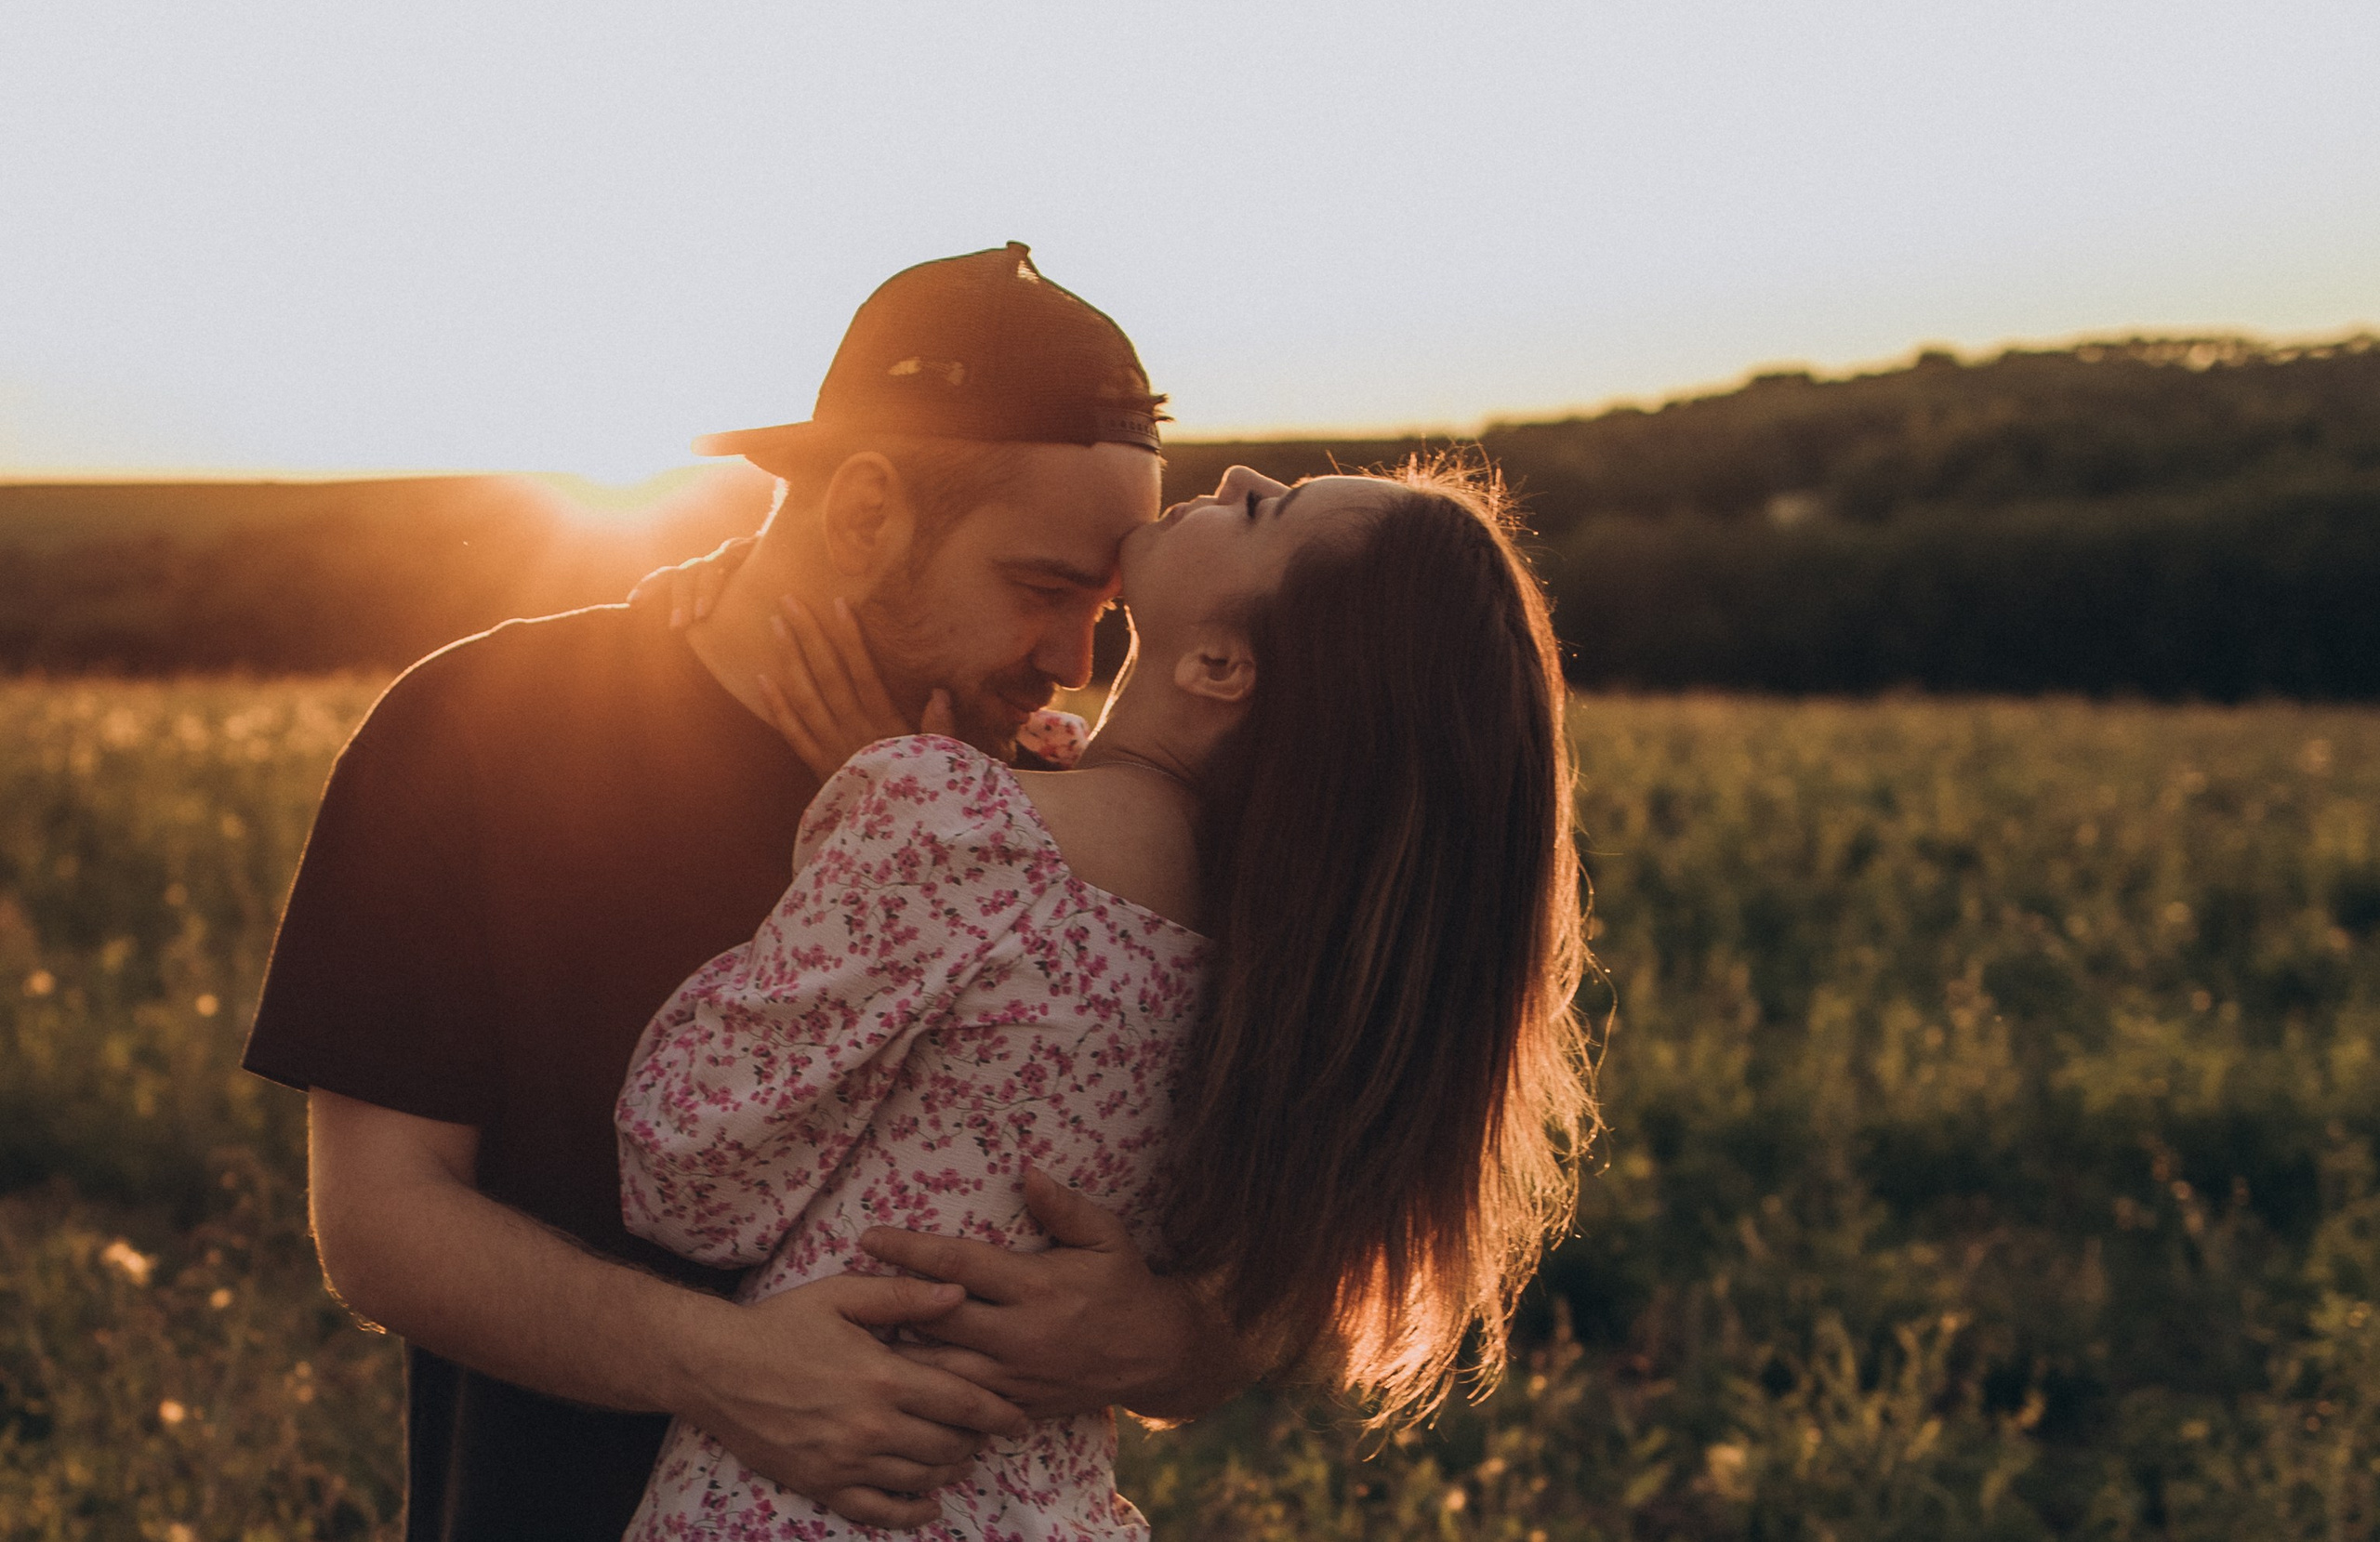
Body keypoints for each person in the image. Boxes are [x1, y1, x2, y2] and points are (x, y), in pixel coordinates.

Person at [242, 244, 1253, 1542]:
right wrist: (728, 1367)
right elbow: (379, 1219)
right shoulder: (480, 730)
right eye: (1043, 590)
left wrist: (1175, 1340)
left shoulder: (1048, 809)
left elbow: (1280, 1242)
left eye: (1106, 609)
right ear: (865, 512)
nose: (1070, 661)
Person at [614, 460, 1594, 1537]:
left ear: (1221, 664)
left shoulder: (956, 824)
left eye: (1265, 509)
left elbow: (686, 1174)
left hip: (809, 1502)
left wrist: (865, 836)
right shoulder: (1292, 944)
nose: (1237, 472)